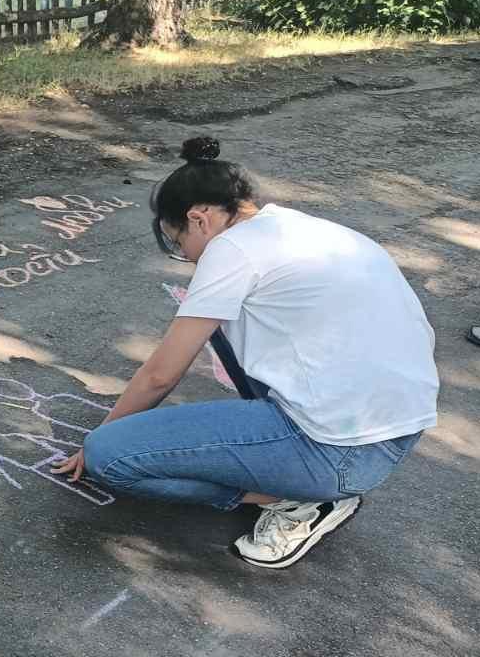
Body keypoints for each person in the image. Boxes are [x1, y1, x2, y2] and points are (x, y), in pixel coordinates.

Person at [55, 137, 438, 569]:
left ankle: (301, 500)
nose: (184, 256)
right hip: (393, 433)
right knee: (214, 320)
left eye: (177, 244)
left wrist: (95, 440)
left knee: (111, 457)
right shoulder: (302, 227)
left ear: (198, 218)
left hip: (337, 453)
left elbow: (160, 375)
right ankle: (298, 472)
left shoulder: (231, 250)